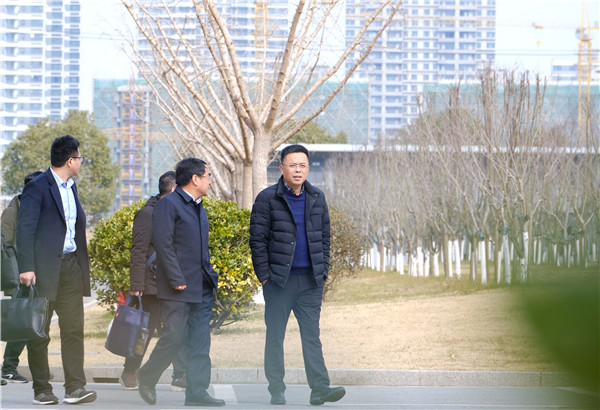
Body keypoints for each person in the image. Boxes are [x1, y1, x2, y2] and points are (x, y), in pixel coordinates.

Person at [249, 144, 346, 406]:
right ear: (282, 168)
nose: (298, 170)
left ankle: (320, 389)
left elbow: (324, 237)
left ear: (308, 168)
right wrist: (265, 276)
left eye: (302, 165)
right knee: (275, 337)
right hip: (279, 282)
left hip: (311, 282)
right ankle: (276, 389)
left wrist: (322, 271)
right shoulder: (267, 198)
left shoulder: (317, 197)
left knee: (311, 337)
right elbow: (257, 240)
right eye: (292, 165)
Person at [136, 158, 225, 407]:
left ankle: (197, 392)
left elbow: (199, 248)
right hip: (178, 287)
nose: (209, 181)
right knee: (174, 337)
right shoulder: (169, 204)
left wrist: (210, 275)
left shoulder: (199, 207)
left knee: (200, 342)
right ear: (195, 179)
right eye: (207, 176)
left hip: (201, 286)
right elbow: (163, 244)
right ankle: (147, 375)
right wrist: (176, 278)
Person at [16, 135, 97, 405]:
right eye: (80, 158)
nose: (81, 162)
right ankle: (41, 389)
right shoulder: (38, 187)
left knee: (73, 329)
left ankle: (75, 388)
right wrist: (26, 267)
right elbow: (25, 229)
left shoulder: (71, 187)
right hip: (43, 270)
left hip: (71, 267)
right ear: (70, 160)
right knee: (39, 332)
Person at [120, 170, 188, 391]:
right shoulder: (148, 213)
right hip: (151, 285)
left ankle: (180, 374)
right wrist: (137, 285)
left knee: (175, 330)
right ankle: (130, 370)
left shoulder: (178, 211)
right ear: (173, 190)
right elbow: (138, 250)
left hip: (173, 282)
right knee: (144, 332)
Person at [1, 171, 42, 384]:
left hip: (38, 274)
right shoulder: (12, 212)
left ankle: (31, 368)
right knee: (22, 322)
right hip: (20, 275)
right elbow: (4, 245)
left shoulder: (37, 210)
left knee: (33, 323)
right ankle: (8, 367)